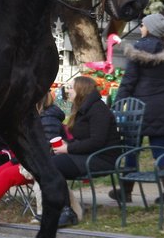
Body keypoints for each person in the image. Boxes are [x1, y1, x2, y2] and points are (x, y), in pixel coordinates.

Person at [110, 13, 164, 204]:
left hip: (140, 108)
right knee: (160, 149)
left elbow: (129, 81)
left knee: (131, 149)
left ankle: (126, 191)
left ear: (150, 28)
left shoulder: (137, 49)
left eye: (143, 25)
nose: (141, 27)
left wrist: (117, 104)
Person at [0, 90, 67, 228]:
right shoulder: (38, 115)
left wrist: (20, 156)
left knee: (5, 175)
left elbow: (44, 146)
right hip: (28, 159)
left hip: (41, 164)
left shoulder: (49, 118)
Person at [50, 75, 122, 226]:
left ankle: (67, 212)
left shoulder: (98, 110)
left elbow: (96, 141)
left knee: (54, 165)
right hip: (87, 155)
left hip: (102, 158)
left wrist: (68, 148)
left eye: (70, 88)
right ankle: (60, 209)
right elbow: (82, 138)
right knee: (50, 162)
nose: (67, 91)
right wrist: (66, 143)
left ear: (81, 90)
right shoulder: (83, 109)